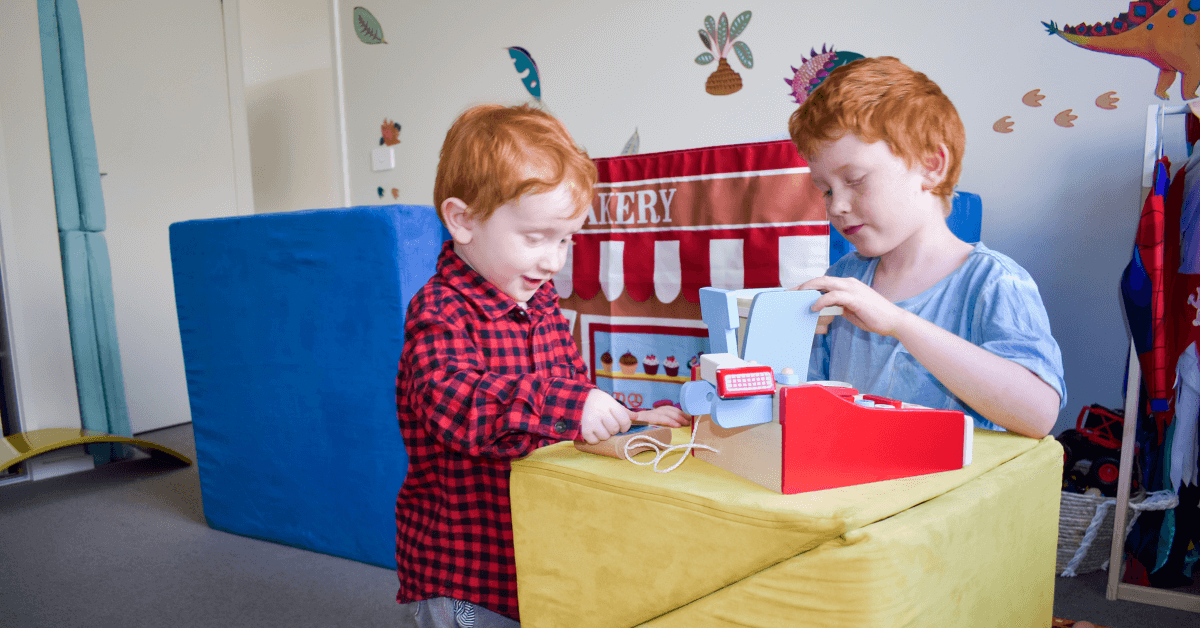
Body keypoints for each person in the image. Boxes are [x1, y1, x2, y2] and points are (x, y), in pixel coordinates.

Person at [394, 103, 688, 628]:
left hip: (535, 552)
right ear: (463, 220)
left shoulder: (544, 303)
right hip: (466, 571)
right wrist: (573, 405)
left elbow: (572, 392)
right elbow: (457, 402)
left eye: (565, 239)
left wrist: (631, 420)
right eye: (535, 238)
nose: (554, 260)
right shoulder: (439, 311)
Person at [789, 56, 1066, 439]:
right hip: (857, 492)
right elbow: (808, 395)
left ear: (931, 166)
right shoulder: (844, 279)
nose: (836, 205)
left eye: (854, 180)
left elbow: (1038, 414)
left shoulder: (993, 281)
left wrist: (900, 324)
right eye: (825, 190)